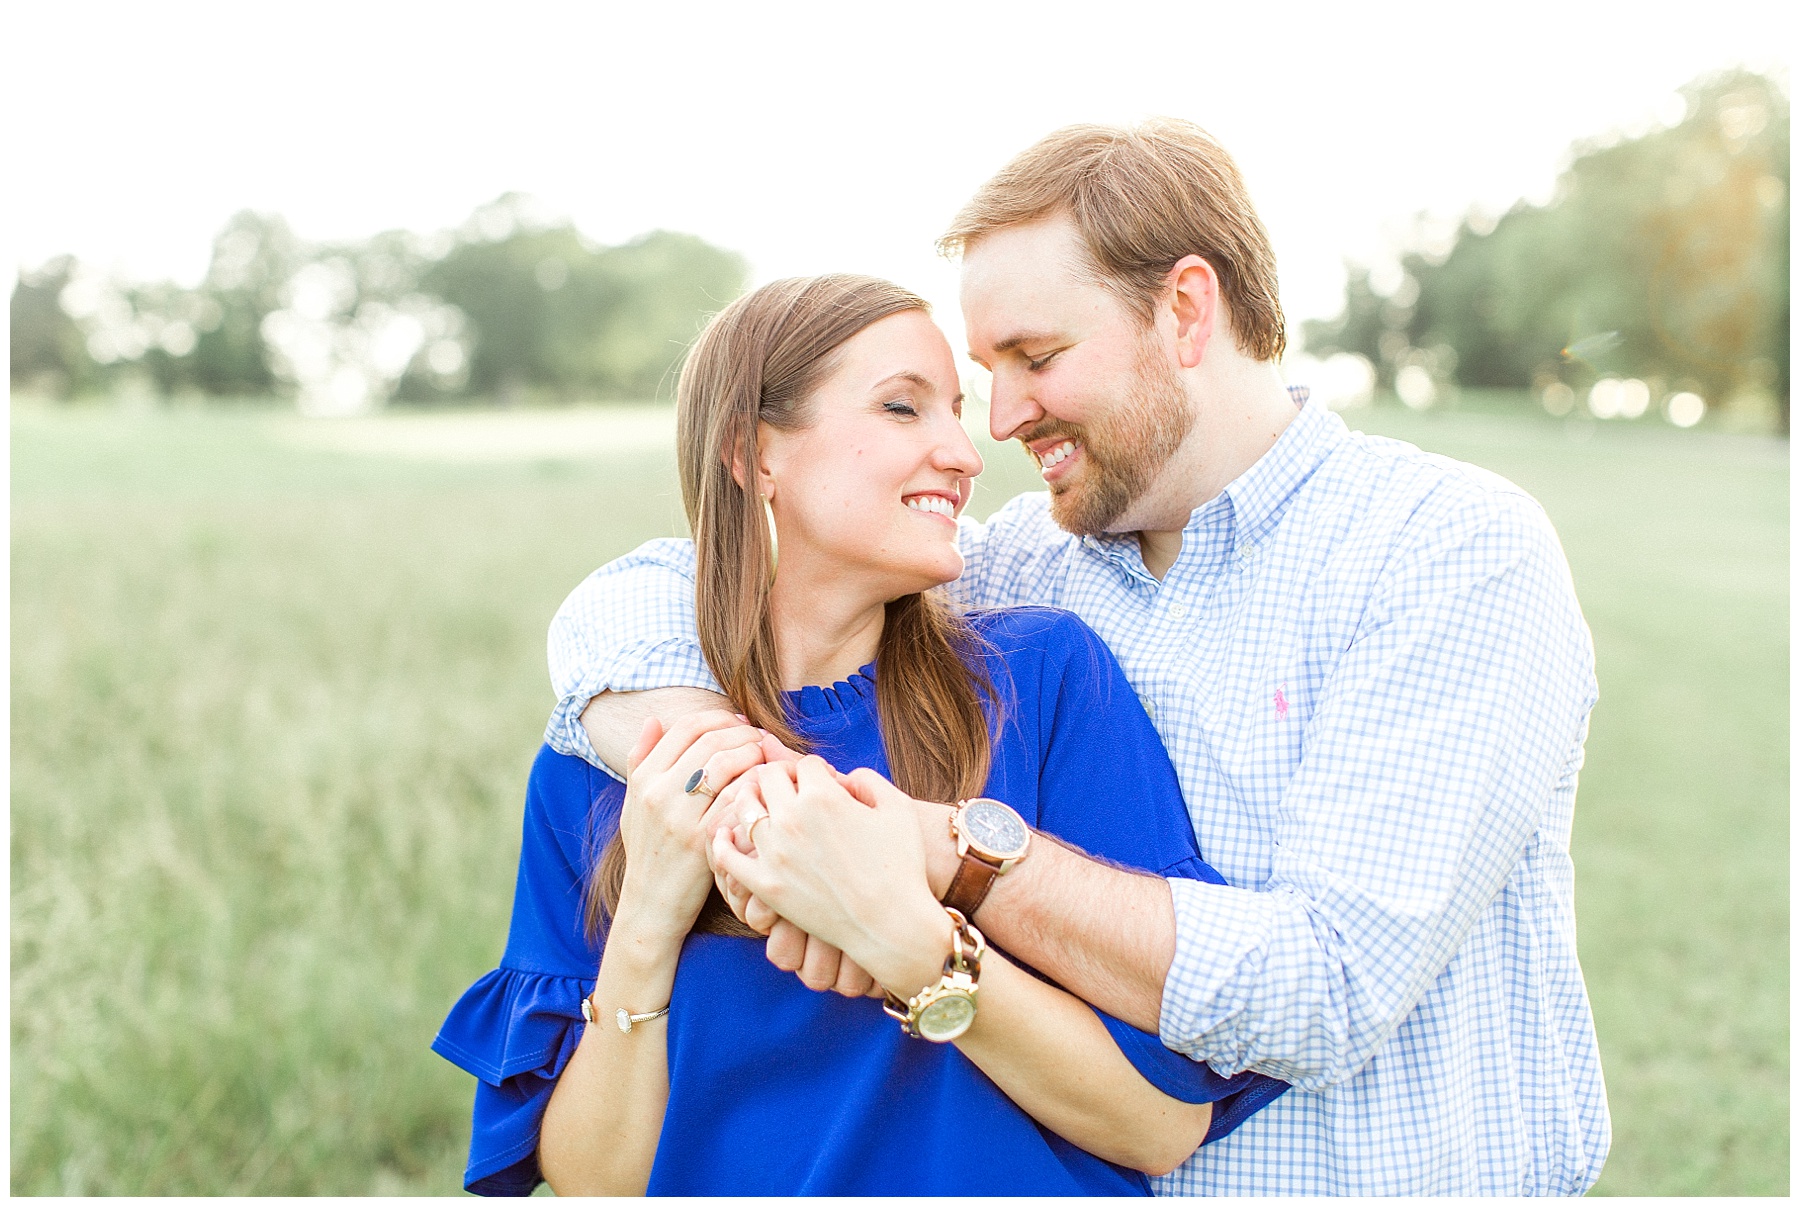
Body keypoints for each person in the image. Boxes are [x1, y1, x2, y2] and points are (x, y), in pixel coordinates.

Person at [546, 120, 1611, 1195]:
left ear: (1185, 310)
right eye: (986, 373)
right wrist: (733, 783)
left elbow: (1325, 990)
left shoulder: (1443, 551)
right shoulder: (1021, 568)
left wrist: (942, 851)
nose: (1001, 420)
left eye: (1037, 358)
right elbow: (638, 599)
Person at [432, 274, 1287, 1195]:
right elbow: (596, 1184)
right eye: (902, 407)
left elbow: (1160, 1126)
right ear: (754, 452)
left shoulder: (1038, 680)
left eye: (955, 411)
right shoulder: (612, 764)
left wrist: (912, 947)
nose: (964, 453)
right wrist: (646, 919)